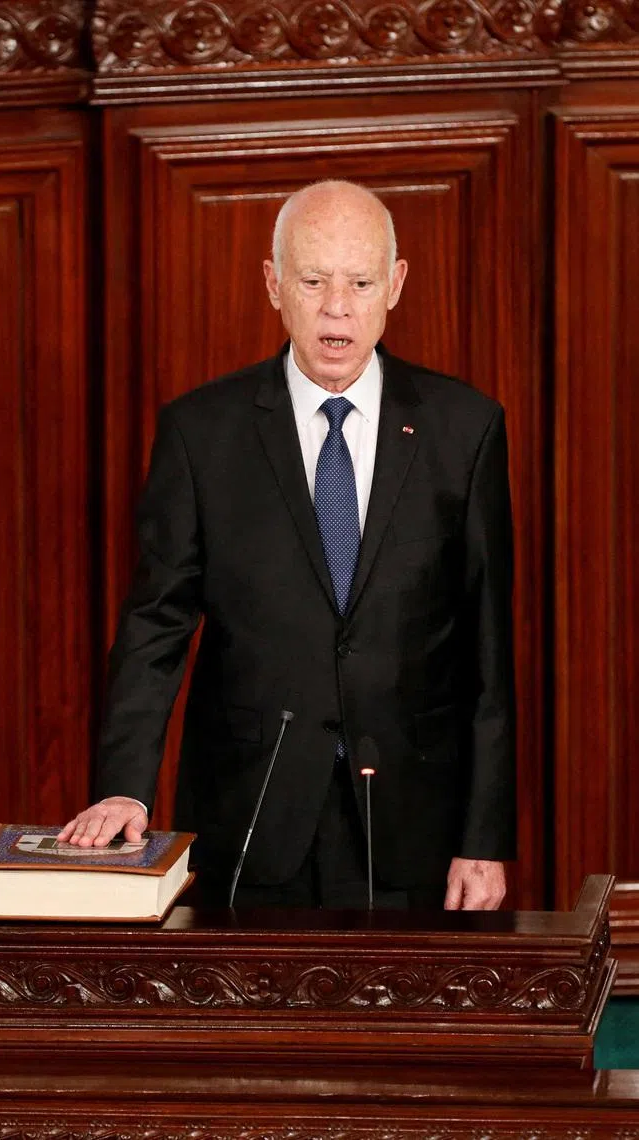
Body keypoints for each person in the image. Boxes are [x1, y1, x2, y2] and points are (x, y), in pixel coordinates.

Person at [59, 180, 514, 911]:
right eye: (313, 281)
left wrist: (483, 837)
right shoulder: (201, 433)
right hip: (250, 813)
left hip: (413, 820)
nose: (338, 308)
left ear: (395, 284)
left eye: (360, 283)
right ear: (274, 284)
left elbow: (487, 647)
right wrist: (124, 788)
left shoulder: (465, 429)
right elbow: (155, 625)